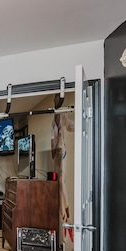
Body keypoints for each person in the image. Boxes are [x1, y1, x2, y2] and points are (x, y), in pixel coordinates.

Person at [51, 94, 75, 240]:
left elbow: (70, 127)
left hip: (59, 151)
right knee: (60, 185)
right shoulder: (56, 115)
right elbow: (69, 128)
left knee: (61, 184)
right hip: (58, 152)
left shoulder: (59, 114)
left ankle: (66, 217)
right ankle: (66, 218)